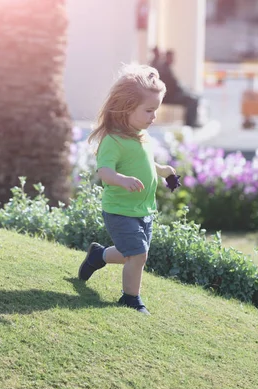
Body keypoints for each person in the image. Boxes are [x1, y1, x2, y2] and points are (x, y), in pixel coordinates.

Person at [77, 64, 177, 315]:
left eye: (156, 110)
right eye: (149, 110)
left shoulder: (142, 136)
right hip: (120, 210)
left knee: (128, 254)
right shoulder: (113, 139)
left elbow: (145, 164)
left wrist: (163, 171)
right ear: (125, 108)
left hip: (142, 210)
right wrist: (121, 179)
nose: (154, 116)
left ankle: (98, 256)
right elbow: (104, 171)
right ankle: (131, 299)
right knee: (139, 255)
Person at [157, 50, 201, 128]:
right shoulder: (164, 69)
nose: (173, 60)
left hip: (172, 94)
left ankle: (191, 122)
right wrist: (184, 90)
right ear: (166, 57)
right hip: (168, 96)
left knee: (194, 97)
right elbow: (172, 86)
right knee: (192, 100)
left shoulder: (167, 67)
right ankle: (190, 124)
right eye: (171, 57)